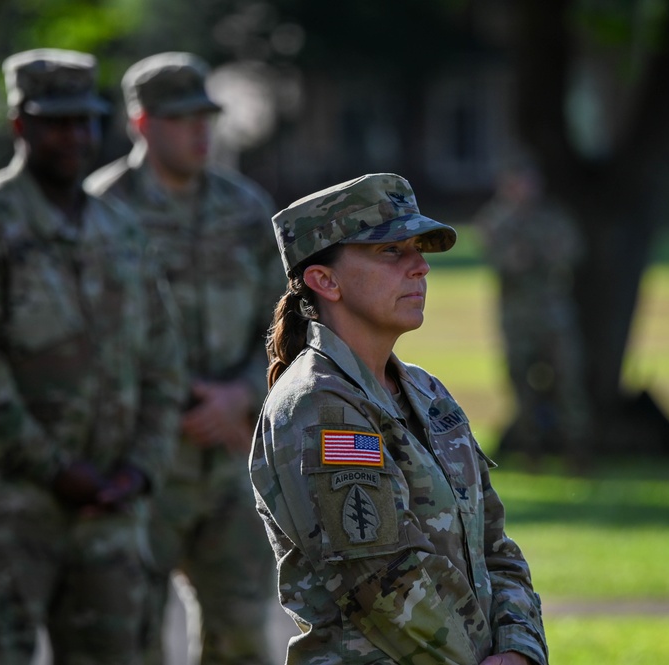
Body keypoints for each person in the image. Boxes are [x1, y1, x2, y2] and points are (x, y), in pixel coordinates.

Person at [0, 48, 186, 664]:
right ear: (20, 126)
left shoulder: (121, 232)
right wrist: (56, 467)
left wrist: (139, 468)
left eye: (84, 122)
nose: (74, 136)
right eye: (55, 122)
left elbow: (164, 364)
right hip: (6, 508)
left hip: (110, 515)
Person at [250, 173, 550, 664]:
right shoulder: (318, 407)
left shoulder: (428, 394)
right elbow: (383, 585)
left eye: (418, 249)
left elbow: (494, 543)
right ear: (324, 280)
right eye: (392, 252)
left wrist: (518, 648)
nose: (421, 268)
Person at [86, 51, 282, 665]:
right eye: (182, 118)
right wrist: (162, 405)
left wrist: (241, 393)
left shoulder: (246, 208)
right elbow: (80, 340)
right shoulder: (100, 211)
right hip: (140, 462)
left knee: (245, 636)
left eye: (207, 116)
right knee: (132, 638)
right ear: (141, 124)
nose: (202, 131)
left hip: (230, 459)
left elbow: (287, 322)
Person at [473, 157, 592, 470]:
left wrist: (534, 256)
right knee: (520, 385)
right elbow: (500, 257)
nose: (525, 190)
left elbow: (571, 251)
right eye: (518, 183)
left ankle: (577, 451)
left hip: (556, 316)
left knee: (568, 382)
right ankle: (530, 451)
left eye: (530, 182)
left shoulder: (553, 218)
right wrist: (525, 257)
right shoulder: (495, 221)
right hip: (516, 318)